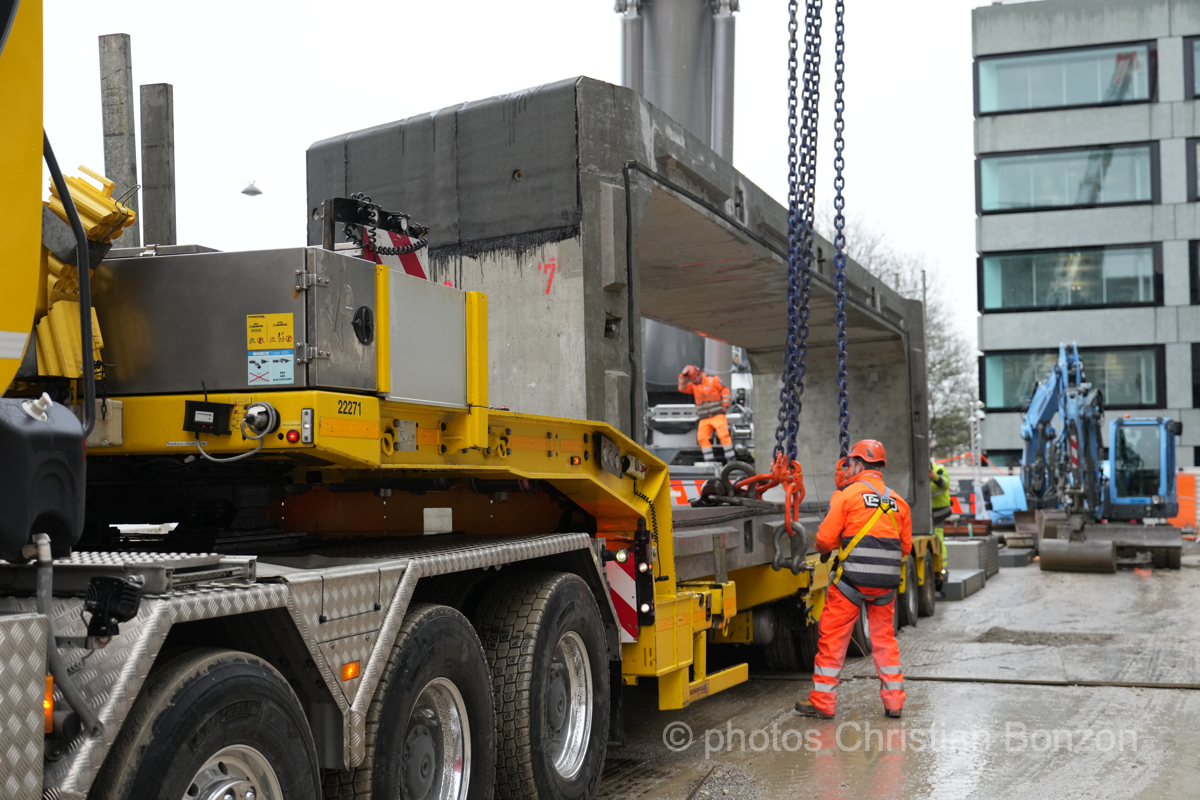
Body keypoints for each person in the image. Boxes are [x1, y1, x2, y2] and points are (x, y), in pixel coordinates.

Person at [795, 439, 911, 720]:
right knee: (884, 641)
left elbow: (824, 539)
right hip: (886, 585)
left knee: (833, 639)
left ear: (858, 465)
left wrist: (825, 550)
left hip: (851, 583)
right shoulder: (899, 502)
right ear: (879, 468)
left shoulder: (846, 496)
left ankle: (823, 702)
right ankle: (894, 702)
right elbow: (905, 547)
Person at [678, 365, 734, 463]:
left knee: (724, 436)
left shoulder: (713, 380)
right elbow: (682, 388)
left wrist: (725, 404)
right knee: (702, 438)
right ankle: (710, 462)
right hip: (704, 418)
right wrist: (682, 375)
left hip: (718, 415)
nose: (693, 381)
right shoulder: (694, 386)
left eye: (694, 379)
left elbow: (725, 390)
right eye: (692, 380)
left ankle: (732, 461)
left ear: (698, 374)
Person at [930, 459, 951, 565]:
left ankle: (943, 566)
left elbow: (945, 483)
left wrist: (934, 477)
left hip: (940, 511)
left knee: (938, 538)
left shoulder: (939, 469)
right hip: (928, 512)